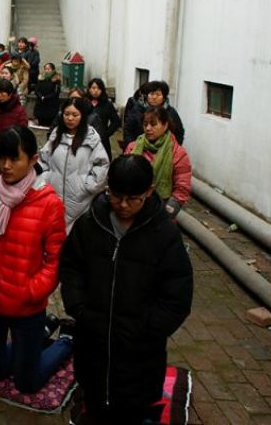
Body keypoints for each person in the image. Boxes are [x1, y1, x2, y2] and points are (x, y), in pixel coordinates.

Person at [60, 155, 193, 423]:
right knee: (96, 403)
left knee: (134, 410)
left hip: (140, 352)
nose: (122, 205)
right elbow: (71, 268)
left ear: (149, 192)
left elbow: (177, 294)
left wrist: (147, 328)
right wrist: (81, 309)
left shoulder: (164, 234)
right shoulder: (90, 225)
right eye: (116, 195)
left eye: (133, 198)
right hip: (93, 342)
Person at [0, 126, 72, 394]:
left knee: (28, 383)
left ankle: (65, 342)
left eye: (15, 159)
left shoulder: (49, 204)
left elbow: (56, 260)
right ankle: (42, 334)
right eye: (2, 158)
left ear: (34, 159)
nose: (6, 166)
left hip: (26, 306)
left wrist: (31, 290)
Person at [39, 98, 109, 233]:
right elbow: (43, 159)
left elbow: (102, 164)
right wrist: (46, 179)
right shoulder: (56, 135)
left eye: (75, 115)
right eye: (66, 114)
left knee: (76, 237)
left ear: (83, 116)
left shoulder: (91, 139)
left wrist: (89, 185)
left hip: (81, 201)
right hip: (53, 196)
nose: (70, 118)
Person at [124, 106, 192, 219]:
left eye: (153, 124)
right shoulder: (133, 147)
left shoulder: (177, 153)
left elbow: (182, 188)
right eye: (145, 124)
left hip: (161, 210)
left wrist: (166, 214)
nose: (148, 128)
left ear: (165, 125)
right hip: (132, 210)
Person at [123, 80, 185, 147]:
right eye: (152, 94)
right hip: (140, 150)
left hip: (165, 151)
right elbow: (128, 130)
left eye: (158, 94)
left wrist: (173, 148)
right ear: (147, 96)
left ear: (164, 97)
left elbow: (179, 132)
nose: (154, 97)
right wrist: (132, 145)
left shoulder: (171, 112)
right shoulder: (137, 110)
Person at [85, 78, 122, 161]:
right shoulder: (84, 102)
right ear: (89, 89)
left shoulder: (107, 104)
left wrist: (106, 134)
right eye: (93, 88)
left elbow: (116, 122)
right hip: (85, 138)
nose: (95, 91)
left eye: (98, 88)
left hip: (101, 140)